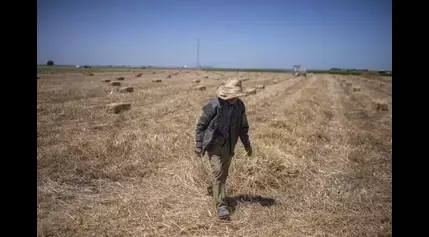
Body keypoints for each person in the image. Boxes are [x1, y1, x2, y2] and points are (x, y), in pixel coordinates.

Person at [195, 78, 253, 220]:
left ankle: (213, 189)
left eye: (236, 95)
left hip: (229, 145)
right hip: (213, 144)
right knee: (218, 171)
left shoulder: (240, 106)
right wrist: (198, 144)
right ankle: (221, 206)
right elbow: (201, 125)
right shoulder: (215, 104)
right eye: (231, 95)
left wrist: (247, 144)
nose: (233, 98)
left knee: (223, 174)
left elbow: (243, 128)